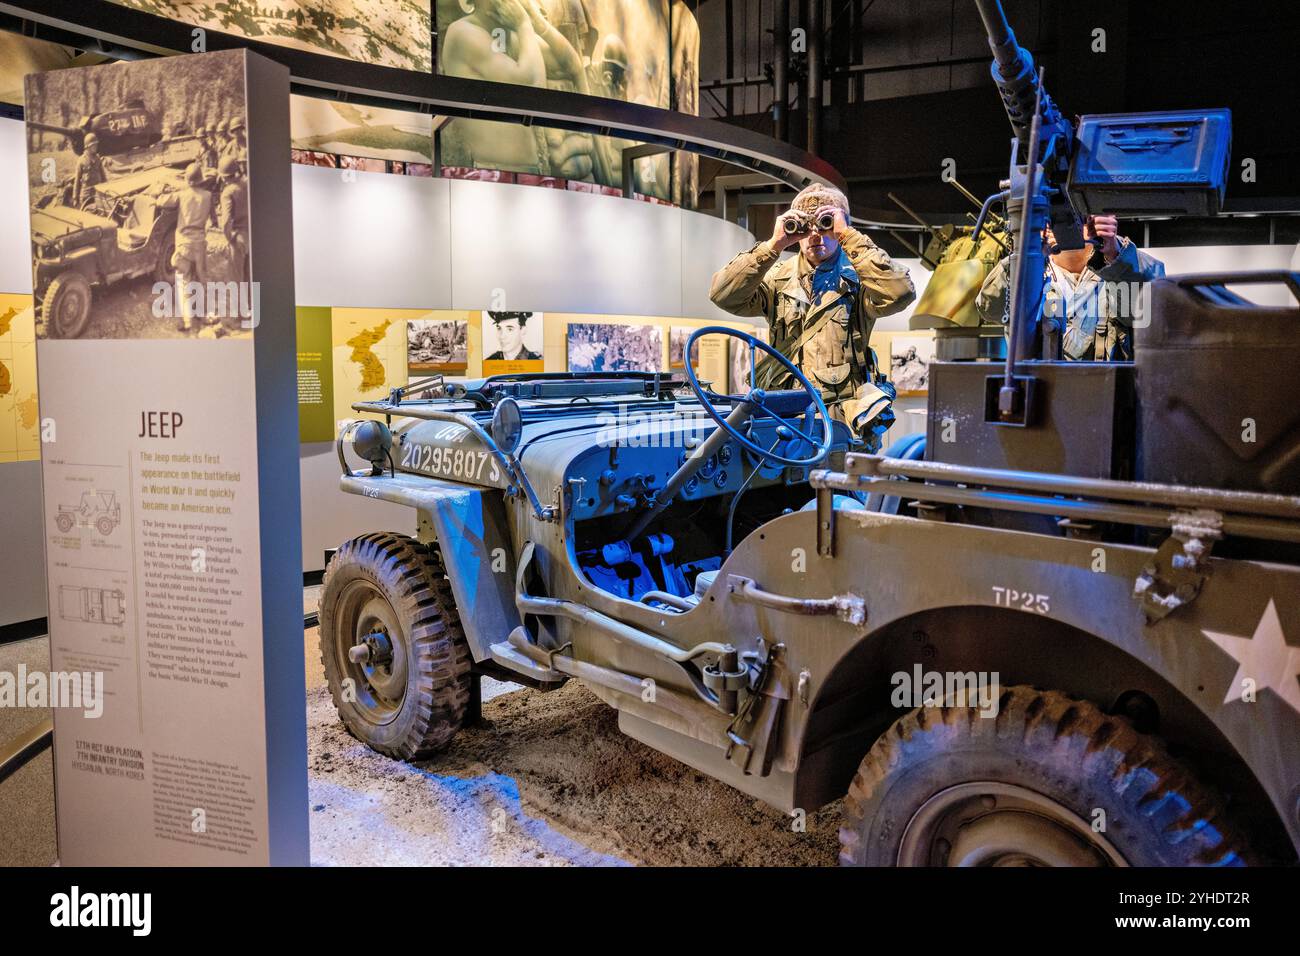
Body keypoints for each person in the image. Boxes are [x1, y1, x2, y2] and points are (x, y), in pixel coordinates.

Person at [709, 184, 915, 447]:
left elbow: (900, 293)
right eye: (807, 226)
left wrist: (848, 236)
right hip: (786, 422)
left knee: (840, 489)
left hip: (843, 425)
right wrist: (773, 245)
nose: (816, 235)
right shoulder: (777, 279)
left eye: (825, 224)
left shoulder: (859, 280)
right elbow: (722, 294)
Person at [975, 214, 1165, 361]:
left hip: (1107, 397)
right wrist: (1027, 254)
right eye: (1057, 218)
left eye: (1079, 218)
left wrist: (1114, 253)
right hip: (1041, 395)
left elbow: (1148, 313)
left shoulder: (1120, 269)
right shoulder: (1031, 272)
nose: (1067, 226)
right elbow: (990, 307)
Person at [151, 162, 212, 333]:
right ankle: (204, 314)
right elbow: (213, 219)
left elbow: (160, 201)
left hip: (183, 244)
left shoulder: (181, 195)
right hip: (199, 243)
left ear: (187, 180)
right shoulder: (208, 196)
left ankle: (188, 322)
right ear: (201, 179)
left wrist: (160, 191)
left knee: (183, 281)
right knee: (201, 279)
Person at [216, 156, 248, 286]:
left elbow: (226, 222)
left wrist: (229, 238)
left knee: (236, 279)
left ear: (223, 176)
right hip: (252, 234)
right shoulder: (247, 183)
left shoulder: (227, 192)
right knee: (249, 277)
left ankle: (239, 305)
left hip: (239, 237)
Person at [72, 132, 105, 209]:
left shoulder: (97, 159)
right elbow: (77, 180)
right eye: (94, 145)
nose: (96, 147)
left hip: (97, 193)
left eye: (96, 145)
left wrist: (106, 190)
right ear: (88, 146)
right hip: (86, 195)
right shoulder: (81, 160)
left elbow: (103, 176)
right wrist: (75, 198)